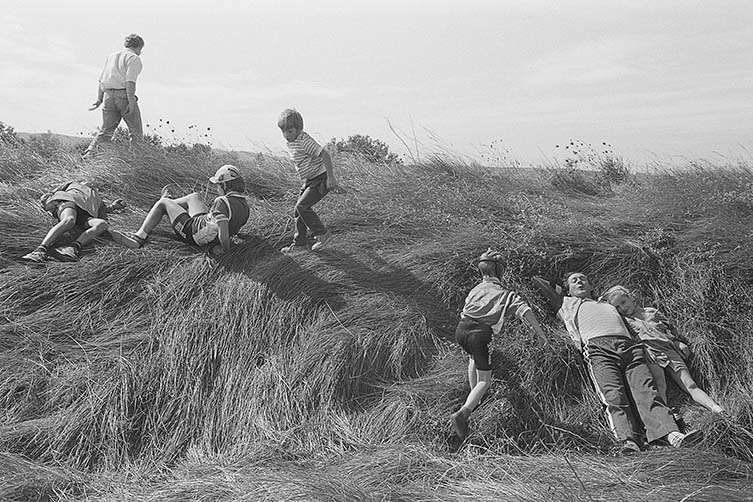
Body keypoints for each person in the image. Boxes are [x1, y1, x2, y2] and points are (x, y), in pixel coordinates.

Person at [533, 272, 701, 453]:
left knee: (647, 391)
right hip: (599, 349)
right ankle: (628, 441)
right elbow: (540, 282)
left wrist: (672, 340)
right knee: (614, 395)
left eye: (583, 279)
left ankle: (670, 434)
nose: (579, 281)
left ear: (591, 286)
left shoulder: (607, 303)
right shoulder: (566, 304)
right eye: (574, 281)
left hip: (630, 348)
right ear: (567, 289)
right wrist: (561, 286)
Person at [450, 249, 548, 440]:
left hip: (461, 330)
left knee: (473, 358)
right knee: (485, 381)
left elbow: (465, 310)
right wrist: (541, 334)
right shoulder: (505, 294)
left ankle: (474, 398)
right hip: (480, 335)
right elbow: (525, 311)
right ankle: (462, 415)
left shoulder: (475, 289)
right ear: (500, 271)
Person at [603, 285, 724, 414]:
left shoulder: (651, 311)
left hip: (668, 349)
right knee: (659, 386)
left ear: (630, 297)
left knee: (690, 384)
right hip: (649, 353)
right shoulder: (624, 321)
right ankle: (669, 421)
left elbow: (669, 330)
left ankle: (717, 409)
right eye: (618, 307)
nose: (623, 307)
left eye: (623, 302)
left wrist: (677, 342)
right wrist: (644, 350)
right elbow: (629, 340)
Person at [110, 164, 249, 253]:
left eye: (218, 185)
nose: (217, 188)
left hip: (193, 233)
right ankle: (167, 207)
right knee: (194, 196)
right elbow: (233, 226)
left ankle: (138, 238)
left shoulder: (222, 202)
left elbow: (223, 235)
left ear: (225, 186)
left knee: (162, 202)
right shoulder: (244, 205)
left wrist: (225, 250)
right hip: (203, 223)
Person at [277, 108, 339, 253]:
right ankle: (299, 244)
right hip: (310, 180)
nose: (286, 135)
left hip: (320, 178)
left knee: (302, 206)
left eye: (290, 131)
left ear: (299, 129)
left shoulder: (304, 140)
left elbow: (325, 155)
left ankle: (323, 235)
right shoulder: (292, 141)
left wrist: (330, 177)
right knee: (298, 210)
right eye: (283, 131)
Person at [21, 181, 119, 263]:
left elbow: (104, 209)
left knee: (102, 224)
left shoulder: (98, 198)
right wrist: (50, 201)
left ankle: (73, 248)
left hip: (85, 214)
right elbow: (51, 193)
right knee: (69, 220)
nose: (92, 184)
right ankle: (40, 250)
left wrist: (114, 206)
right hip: (69, 202)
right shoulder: (73, 184)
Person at [83, 34, 145, 158]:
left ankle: (89, 154)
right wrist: (131, 102)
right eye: (141, 50)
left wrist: (99, 99)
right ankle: (136, 160)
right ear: (138, 47)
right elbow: (130, 81)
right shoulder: (134, 58)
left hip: (108, 96)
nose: (140, 53)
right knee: (135, 132)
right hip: (124, 95)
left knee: (106, 131)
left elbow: (101, 79)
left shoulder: (111, 57)